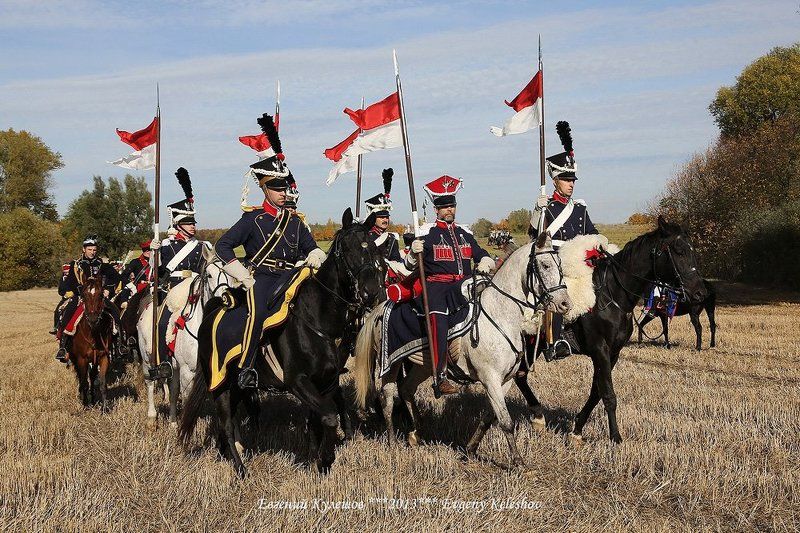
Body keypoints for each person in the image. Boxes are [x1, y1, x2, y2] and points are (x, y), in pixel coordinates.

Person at [215, 113, 326, 390]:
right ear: (264, 188)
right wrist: (241, 272)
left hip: (291, 276)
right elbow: (222, 246)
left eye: (284, 188)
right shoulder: (252, 220)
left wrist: (315, 254)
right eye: (276, 188)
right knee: (258, 313)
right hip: (261, 278)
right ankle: (247, 367)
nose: (282, 193)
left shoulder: (296, 222)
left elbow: (310, 247)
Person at [405, 175, 496, 397]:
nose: (449, 210)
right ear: (436, 210)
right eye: (444, 207)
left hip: (464, 286)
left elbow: (480, 253)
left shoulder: (465, 234)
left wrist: (485, 259)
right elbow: (410, 267)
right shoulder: (427, 235)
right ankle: (440, 376)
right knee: (438, 314)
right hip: (437, 288)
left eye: (452, 206)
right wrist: (411, 253)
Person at [529, 120, 598, 362]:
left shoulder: (580, 208)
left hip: (580, 262)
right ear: (555, 180)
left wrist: (598, 247)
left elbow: (591, 233)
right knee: (556, 291)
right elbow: (534, 237)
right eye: (567, 179)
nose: (571, 184)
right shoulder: (546, 207)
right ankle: (554, 340)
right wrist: (538, 212)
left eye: (573, 180)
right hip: (556, 263)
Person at [148, 167, 212, 380]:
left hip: (195, 287)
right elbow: (155, 272)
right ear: (177, 224)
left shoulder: (202, 245)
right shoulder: (166, 246)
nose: (193, 226)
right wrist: (154, 253)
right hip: (174, 291)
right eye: (188, 223)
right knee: (162, 321)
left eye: (193, 222)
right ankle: (164, 362)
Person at [54, 235, 121, 363]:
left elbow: (116, 277)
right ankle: (63, 346)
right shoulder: (76, 264)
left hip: (98, 296)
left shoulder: (102, 264)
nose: (92, 252)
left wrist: (108, 289)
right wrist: (80, 292)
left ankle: (120, 344)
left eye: (94, 250)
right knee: (67, 312)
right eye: (90, 249)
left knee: (115, 312)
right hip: (81, 296)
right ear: (84, 249)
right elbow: (70, 282)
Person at [364, 168, 406, 284]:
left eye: (386, 217)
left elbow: (396, 260)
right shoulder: (366, 236)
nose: (385, 219)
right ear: (373, 218)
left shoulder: (392, 238)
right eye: (381, 217)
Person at [115, 240, 152, 310]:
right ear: (145, 251)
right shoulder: (135, 262)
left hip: (153, 287)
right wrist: (130, 285)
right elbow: (124, 275)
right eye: (146, 250)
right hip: (140, 288)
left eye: (151, 250)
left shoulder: (156, 262)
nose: (148, 252)